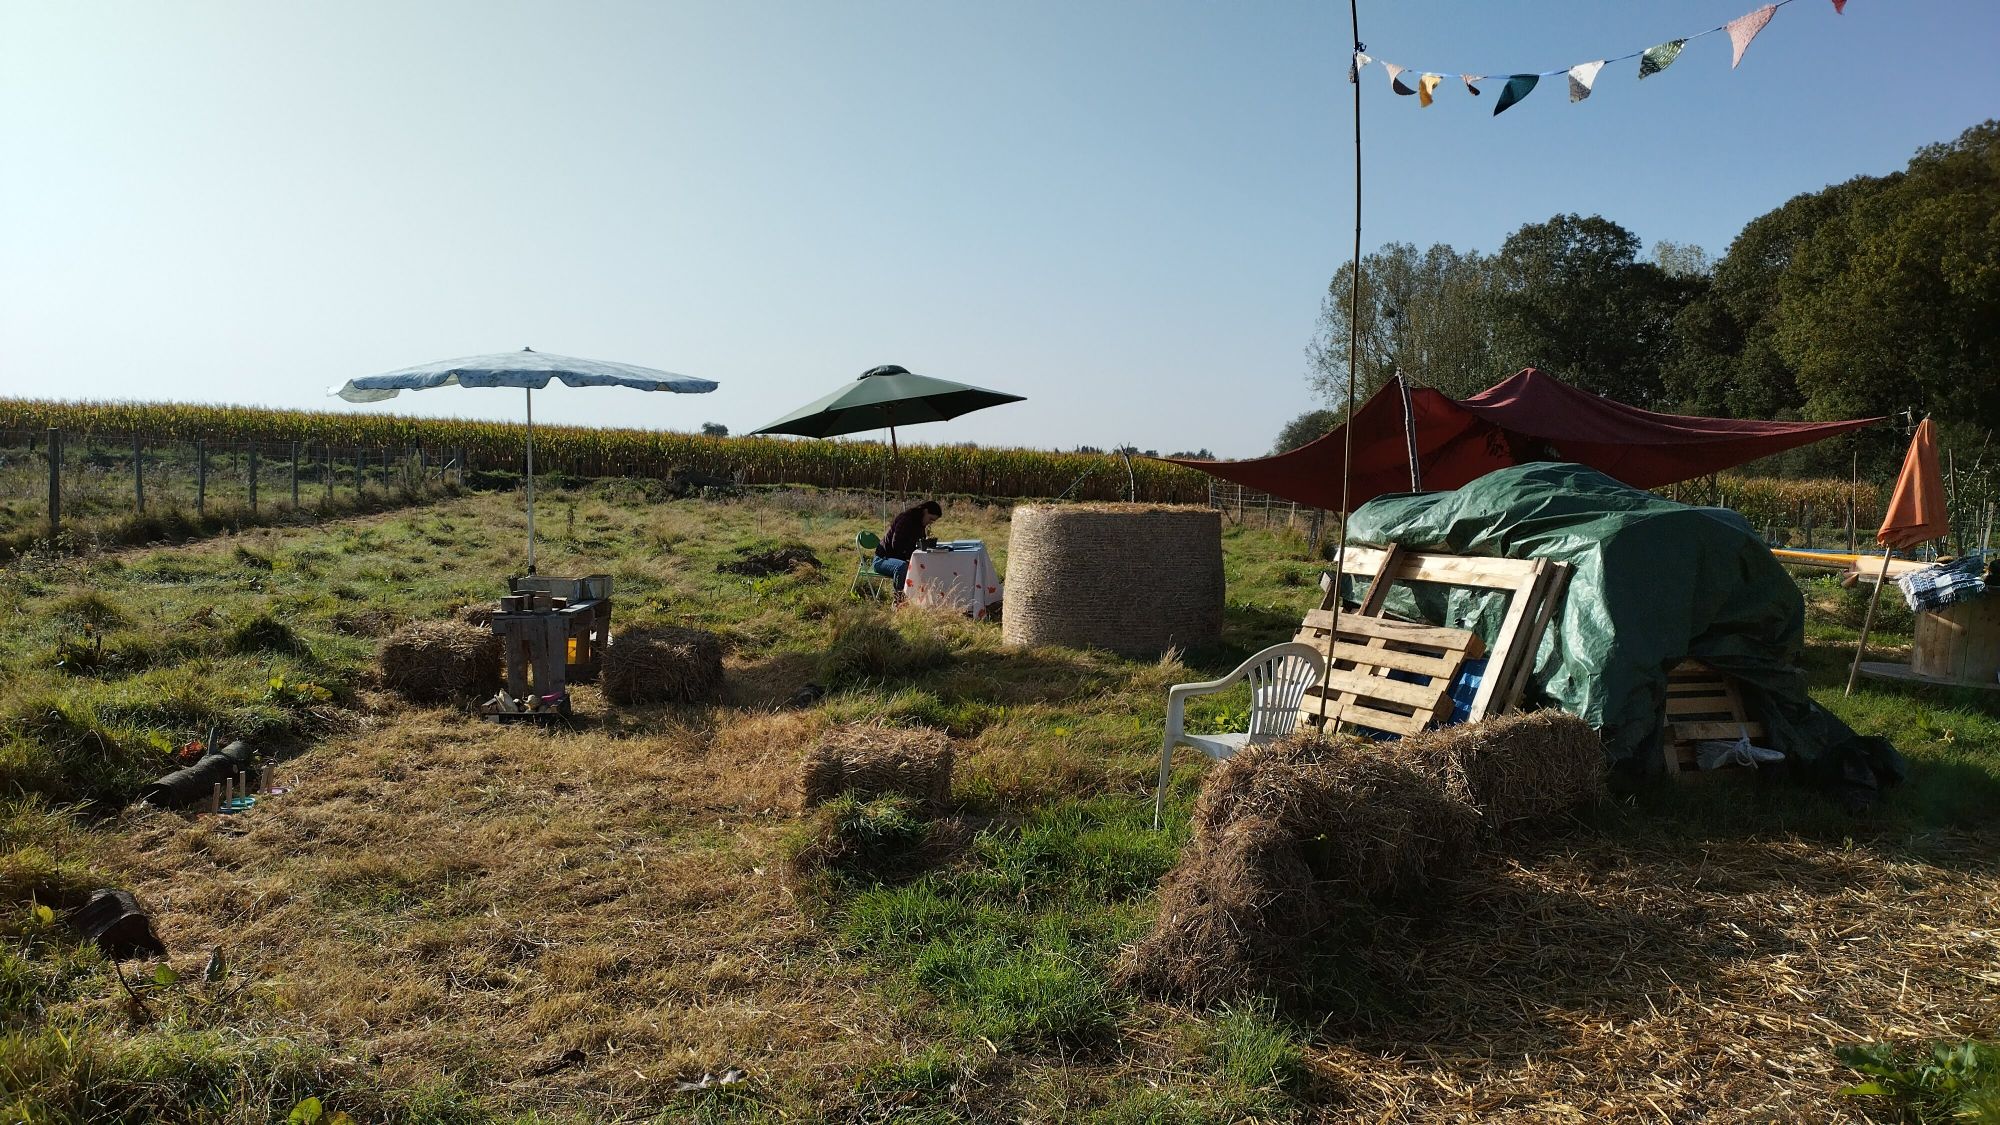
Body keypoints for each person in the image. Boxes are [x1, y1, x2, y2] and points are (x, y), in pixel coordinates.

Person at [873, 500, 942, 593]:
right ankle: (899, 600)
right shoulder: (906, 519)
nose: (930, 523)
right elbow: (896, 544)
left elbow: (917, 545)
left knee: (923, 564)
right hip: (883, 559)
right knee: (902, 567)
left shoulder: (920, 524)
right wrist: (910, 558)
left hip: (897, 558)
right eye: (930, 519)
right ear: (925, 511)